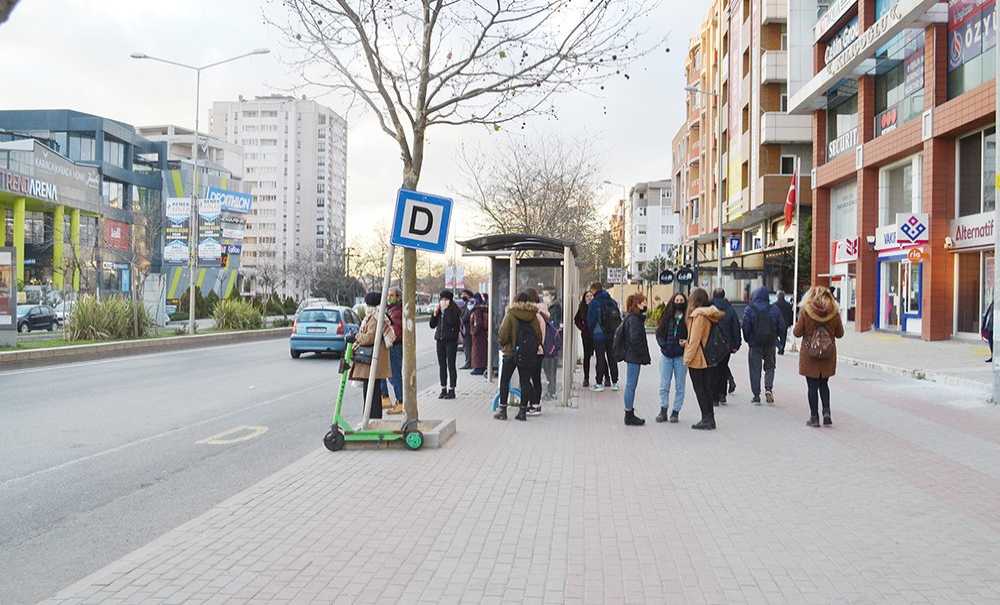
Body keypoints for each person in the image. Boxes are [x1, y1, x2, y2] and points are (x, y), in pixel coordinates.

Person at [793, 286, 845, 427]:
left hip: (810, 355)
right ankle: (826, 412)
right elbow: (840, 334)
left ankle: (814, 417)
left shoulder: (806, 311)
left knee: (812, 386)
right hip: (828, 354)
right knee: (824, 384)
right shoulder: (834, 312)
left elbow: (797, 333)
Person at [494, 292, 544, 421]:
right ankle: (522, 412)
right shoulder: (533, 316)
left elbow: (503, 334)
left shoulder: (511, 314)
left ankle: (503, 411)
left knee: (505, 381)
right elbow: (538, 335)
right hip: (527, 354)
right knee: (525, 382)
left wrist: (504, 344)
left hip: (510, 353)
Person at [683, 288, 725, 430]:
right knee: (706, 388)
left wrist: (686, 359)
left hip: (698, 358)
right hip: (706, 356)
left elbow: (695, 340)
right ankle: (709, 418)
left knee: (701, 389)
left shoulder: (698, 315)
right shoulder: (707, 314)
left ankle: (707, 419)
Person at [350, 292, 394, 419]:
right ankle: (370, 416)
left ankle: (371, 418)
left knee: (371, 392)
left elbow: (370, 338)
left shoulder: (375, 318)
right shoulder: (375, 316)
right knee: (372, 391)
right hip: (372, 360)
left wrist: (356, 337)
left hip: (372, 360)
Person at [742, 286, 784, 405]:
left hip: (755, 344)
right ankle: (768, 388)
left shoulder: (750, 309)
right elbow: (782, 326)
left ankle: (756, 395)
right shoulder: (774, 309)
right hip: (770, 342)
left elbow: (745, 326)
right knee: (770, 367)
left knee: (755, 369)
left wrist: (748, 339)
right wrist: (780, 341)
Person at [655, 292, 688, 423]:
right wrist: (663, 345)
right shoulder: (667, 316)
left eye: (681, 300)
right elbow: (659, 333)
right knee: (664, 385)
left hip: (680, 356)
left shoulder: (687, 317)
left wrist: (686, 342)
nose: (679, 302)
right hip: (666, 356)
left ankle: (675, 411)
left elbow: (692, 334)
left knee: (680, 386)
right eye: (677, 300)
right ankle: (663, 410)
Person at [619, 292, 651, 426]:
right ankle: (629, 414)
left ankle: (629, 412)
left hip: (632, 356)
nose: (645, 304)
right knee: (631, 385)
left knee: (631, 385)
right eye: (643, 302)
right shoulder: (634, 319)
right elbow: (634, 339)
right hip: (634, 357)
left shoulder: (633, 318)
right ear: (637, 304)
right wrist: (641, 354)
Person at [586, 282, 621, 392]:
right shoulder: (612, 302)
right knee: (612, 357)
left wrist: (591, 332)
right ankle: (615, 383)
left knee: (600, 358)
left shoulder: (594, 303)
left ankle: (599, 383)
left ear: (595, 290)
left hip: (599, 335)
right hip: (611, 334)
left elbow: (590, 320)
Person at [711, 288, 741, 406]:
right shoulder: (730, 309)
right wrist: (736, 344)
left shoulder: (709, 307)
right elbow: (736, 327)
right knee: (723, 369)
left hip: (712, 344)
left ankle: (714, 398)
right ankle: (722, 394)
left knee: (713, 370)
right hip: (726, 345)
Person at [429, 289, 461, 399]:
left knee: (451, 365)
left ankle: (452, 390)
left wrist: (446, 310)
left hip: (451, 341)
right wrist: (435, 314)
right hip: (440, 340)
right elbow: (432, 325)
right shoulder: (439, 310)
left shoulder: (454, 310)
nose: (443, 301)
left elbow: (452, 322)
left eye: (446, 299)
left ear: (450, 300)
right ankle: (443, 388)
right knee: (442, 365)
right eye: (441, 299)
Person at [526, 288, 549, 416]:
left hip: (534, 349)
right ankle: (536, 404)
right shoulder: (541, 312)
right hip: (540, 349)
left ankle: (534, 404)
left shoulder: (534, 314)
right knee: (536, 378)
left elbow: (535, 334)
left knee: (528, 378)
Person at [383, 286, 405, 415]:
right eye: (388, 295)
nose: (389, 298)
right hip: (392, 346)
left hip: (395, 346)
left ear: (398, 297)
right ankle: (395, 399)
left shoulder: (396, 312)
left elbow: (395, 332)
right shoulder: (391, 310)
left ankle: (400, 401)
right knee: (389, 374)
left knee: (394, 374)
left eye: (392, 295)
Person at [541, 287, 563, 401]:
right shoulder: (551, 308)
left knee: (550, 369)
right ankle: (551, 390)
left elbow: (552, 325)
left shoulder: (555, 309)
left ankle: (551, 392)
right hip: (550, 344)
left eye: (546, 295)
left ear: (552, 296)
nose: (544, 297)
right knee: (548, 369)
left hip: (550, 344)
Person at [575, 291, 596, 387]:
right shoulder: (582, 307)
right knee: (586, 356)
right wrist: (582, 328)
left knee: (600, 356)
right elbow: (576, 319)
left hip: (596, 335)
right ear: (584, 297)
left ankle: (605, 377)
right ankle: (586, 378)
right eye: (587, 296)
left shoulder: (597, 306)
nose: (589, 297)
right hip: (586, 335)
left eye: (591, 296)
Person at [469, 293, 489, 375]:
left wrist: (473, 331)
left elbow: (478, 323)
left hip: (478, 334)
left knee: (477, 351)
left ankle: (478, 368)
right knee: (480, 351)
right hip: (482, 334)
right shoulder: (482, 309)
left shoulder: (477, 310)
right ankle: (480, 366)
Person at [774, 290, 794, 355]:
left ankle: (780, 346)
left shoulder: (774, 305)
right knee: (783, 337)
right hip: (785, 324)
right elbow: (791, 314)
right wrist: (790, 323)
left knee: (774, 336)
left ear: (777, 296)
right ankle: (781, 349)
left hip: (776, 324)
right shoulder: (788, 305)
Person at [459, 289, 474, 369]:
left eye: (464, 294)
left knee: (467, 346)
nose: (462, 296)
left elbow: (466, 316)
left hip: (468, 329)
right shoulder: (466, 303)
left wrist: (462, 319)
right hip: (465, 328)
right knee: (466, 346)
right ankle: (468, 362)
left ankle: (468, 363)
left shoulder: (471, 303)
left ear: (468, 295)